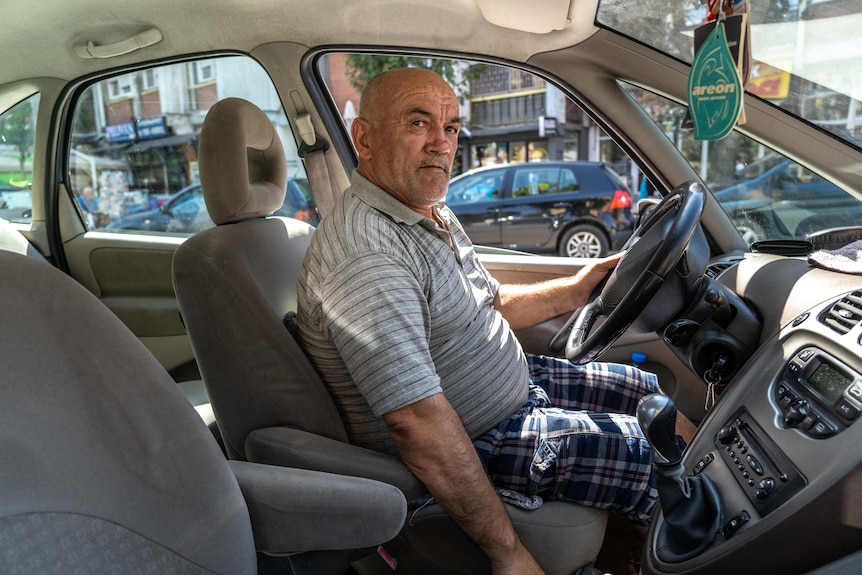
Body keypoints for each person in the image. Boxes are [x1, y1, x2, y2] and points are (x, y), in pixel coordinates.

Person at [295, 68, 663, 574]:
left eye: (450, 128)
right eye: (418, 123)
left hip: (521, 385)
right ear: (365, 138)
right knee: (651, 454)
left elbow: (484, 305)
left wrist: (578, 288)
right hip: (480, 432)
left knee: (649, 394)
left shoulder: (425, 210)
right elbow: (416, 421)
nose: (441, 144)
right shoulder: (365, 253)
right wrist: (508, 553)